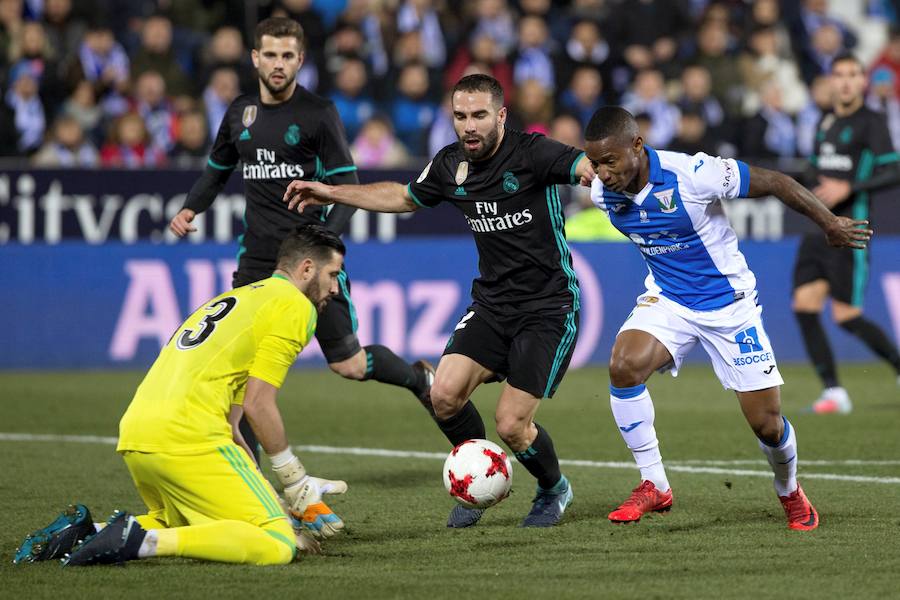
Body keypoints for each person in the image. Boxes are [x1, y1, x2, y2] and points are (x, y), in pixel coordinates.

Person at [284, 74, 593, 529]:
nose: (469, 126)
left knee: (511, 424)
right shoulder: (449, 165)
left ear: (501, 116)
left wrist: (603, 173)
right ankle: (476, 478)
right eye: (460, 116)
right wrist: (331, 191)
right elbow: (405, 198)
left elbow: (586, 165)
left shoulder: (534, 153)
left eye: (480, 115)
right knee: (443, 396)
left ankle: (553, 489)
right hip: (492, 304)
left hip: (548, 307)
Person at [583, 106, 871, 530]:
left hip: (729, 306)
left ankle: (790, 489)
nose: (604, 173)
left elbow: (776, 181)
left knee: (767, 426)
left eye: (610, 161)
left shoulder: (694, 173)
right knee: (623, 366)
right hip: (669, 301)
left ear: (638, 146)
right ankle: (654, 483)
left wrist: (828, 223)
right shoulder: (601, 194)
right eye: (595, 164)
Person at [168, 18, 434, 460]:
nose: (278, 64)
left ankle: (417, 379)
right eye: (270, 54)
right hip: (256, 262)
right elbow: (215, 172)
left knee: (348, 364)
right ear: (255, 58)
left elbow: (348, 189)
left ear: (300, 60)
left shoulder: (317, 113)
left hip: (309, 264)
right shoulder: (239, 114)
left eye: (287, 56)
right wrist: (190, 207)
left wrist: (324, 241)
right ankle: (250, 484)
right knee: (243, 384)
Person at [15, 225, 350, 566]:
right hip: (189, 435)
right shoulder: (295, 305)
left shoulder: (240, 298)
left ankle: (86, 532)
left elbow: (235, 424)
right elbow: (259, 403)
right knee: (277, 544)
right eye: (332, 274)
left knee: (188, 520)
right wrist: (294, 482)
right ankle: (142, 542)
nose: (336, 288)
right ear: (306, 268)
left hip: (138, 433)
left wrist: (268, 497)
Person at [793, 53, 900, 414]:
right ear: (831, 81)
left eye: (853, 74)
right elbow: (814, 166)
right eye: (839, 74)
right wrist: (809, 181)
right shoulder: (825, 122)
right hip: (818, 228)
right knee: (804, 307)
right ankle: (834, 392)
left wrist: (849, 187)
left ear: (862, 82)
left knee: (846, 315)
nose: (846, 81)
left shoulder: (872, 122)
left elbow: (893, 169)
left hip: (850, 229)